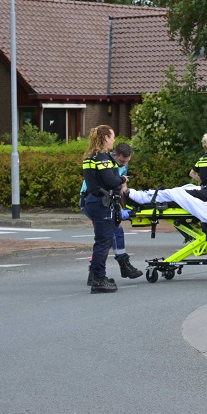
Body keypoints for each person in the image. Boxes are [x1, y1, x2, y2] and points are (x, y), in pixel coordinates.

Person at [82, 142, 143, 284]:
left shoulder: (119, 165)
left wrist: (127, 205)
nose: (124, 164)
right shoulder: (105, 163)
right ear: (115, 155)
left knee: (109, 235)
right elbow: (108, 184)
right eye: (122, 161)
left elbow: (121, 188)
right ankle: (108, 270)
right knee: (107, 236)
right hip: (95, 201)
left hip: (105, 202)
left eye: (127, 162)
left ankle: (97, 273)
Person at [81, 125, 127, 294]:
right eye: (112, 137)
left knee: (100, 240)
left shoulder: (90, 157)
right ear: (106, 138)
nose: (114, 140)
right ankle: (99, 279)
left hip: (92, 200)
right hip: (102, 202)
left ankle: (95, 276)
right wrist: (121, 178)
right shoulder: (102, 158)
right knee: (104, 241)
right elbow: (109, 180)